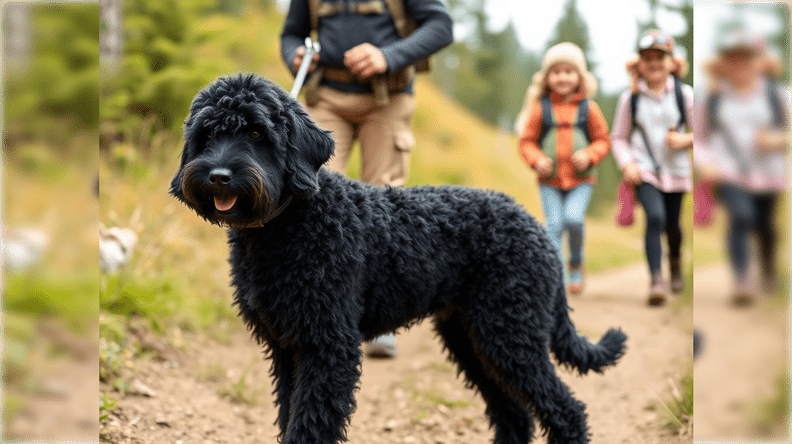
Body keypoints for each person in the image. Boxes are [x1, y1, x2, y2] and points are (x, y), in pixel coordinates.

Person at [280, 0, 453, 357]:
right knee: (315, 201)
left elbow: (440, 26)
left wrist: (387, 56)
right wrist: (295, 54)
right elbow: (292, 33)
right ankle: (315, 309)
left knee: (383, 207)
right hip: (325, 96)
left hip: (387, 97)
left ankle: (381, 321)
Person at [694, 30, 790, 306]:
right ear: (723, 63)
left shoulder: (777, 94)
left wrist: (781, 139)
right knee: (741, 216)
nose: (740, 65)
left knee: (766, 227)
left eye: (746, 59)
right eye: (733, 59)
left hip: (768, 175)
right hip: (728, 172)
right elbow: (700, 140)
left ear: (758, 61)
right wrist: (706, 164)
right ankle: (742, 280)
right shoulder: (711, 98)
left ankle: (768, 268)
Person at [517, 42, 611, 295]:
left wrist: (590, 155)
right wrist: (536, 160)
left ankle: (576, 262)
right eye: (556, 72)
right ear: (547, 77)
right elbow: (526, 142)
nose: (562, 77)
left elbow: (603, 140)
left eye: (568, 71)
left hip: (581, 181)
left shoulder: (588, 108)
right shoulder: (541, 109)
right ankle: (556, 276)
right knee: (554, 225)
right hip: (549, 181)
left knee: (574, 219)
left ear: (579, 77)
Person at [611, 30, 693, 306]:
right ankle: (656, 279)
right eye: (647, 58)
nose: (654, 63)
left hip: (677, 171)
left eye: (660, 57)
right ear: (640, 64)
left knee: (673, 225)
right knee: (654, 218)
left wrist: (685, 139)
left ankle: (676, 262)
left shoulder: (685, 95)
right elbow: (619, 137)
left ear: (671, 62)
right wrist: (628, 164)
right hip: (644, 170)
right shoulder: (630, 99)